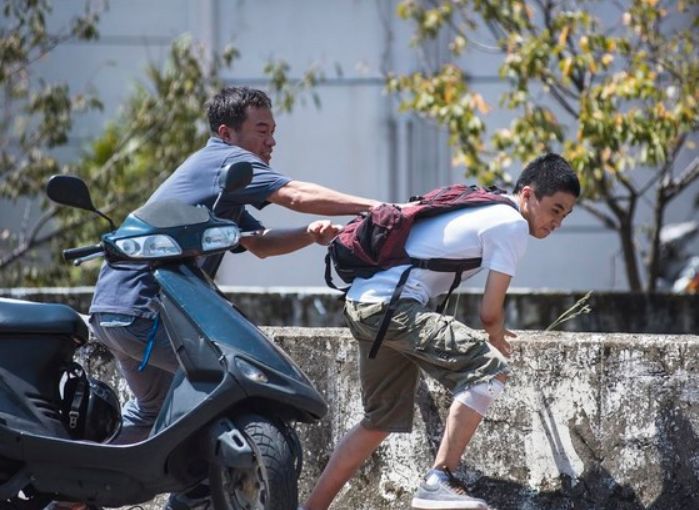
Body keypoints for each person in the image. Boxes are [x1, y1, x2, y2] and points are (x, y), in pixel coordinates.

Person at [47, 87, 380, 510]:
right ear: (227, 132)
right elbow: (293, 194)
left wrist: (308, 235)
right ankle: (187, 499)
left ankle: (69, 500)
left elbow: (258, 243)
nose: (271, 141)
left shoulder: (222, 185)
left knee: (149, 414)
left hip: (116, 311)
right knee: (220, 388)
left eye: (273, 131)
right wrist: (377, 207)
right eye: (261, 130)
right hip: (146, 309)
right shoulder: (226, 159)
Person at [301, 153, 581, 510]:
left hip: (364, 303)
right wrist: (495, 340)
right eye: (555, 209)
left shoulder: (486, 206)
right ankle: (440, 479)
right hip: (391, 308)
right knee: (489, 370)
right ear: (528, 195)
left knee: (379, 419)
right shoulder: (511, 225)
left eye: (565, 215)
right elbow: (489, 314)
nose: (557, 221)